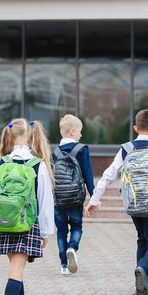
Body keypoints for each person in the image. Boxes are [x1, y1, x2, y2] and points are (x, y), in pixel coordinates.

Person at [85, 110, 148, 295]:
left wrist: (93, 200)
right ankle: (142, 268)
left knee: (142, 239)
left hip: (133, 205)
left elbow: (108, 176)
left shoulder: (125, 150)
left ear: (135, 128)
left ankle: (140, 284)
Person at [0, 118, 54, 295]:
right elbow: (44, 200)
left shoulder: (1, 163)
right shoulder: (37, 164)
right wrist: (45, 230)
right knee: (16, 270)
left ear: (10, 136)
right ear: (32, 137)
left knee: (17, 268)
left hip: (3, 223)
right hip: (26, 223)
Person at [53, 115, 94, 275]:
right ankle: (72, 247)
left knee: (62, 231)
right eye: (79, 131)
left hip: (59, 200)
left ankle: (64, 265)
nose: (81, 135)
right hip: (75, 199)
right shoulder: (82, 150)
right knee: (76, 226)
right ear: (72, 132)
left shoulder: (55, 152)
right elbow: (88, 175)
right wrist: (94, 197)